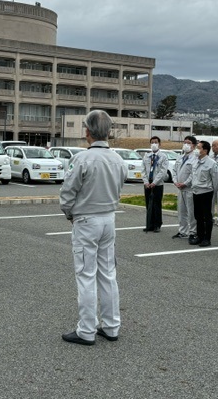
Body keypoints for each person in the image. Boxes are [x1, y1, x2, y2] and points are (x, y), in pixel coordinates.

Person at [59, 110, 128, 345]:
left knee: (86, 275)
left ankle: (86, 330)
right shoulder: (119, 159)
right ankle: (111, 325)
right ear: (108, 132)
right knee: (108, 274)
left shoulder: (81, 159)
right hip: (109, 218)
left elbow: (67, 193)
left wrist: (69, 212)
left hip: (86, 220)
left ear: (88, 132)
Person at [190, 141, 218, 247]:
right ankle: (200, 236)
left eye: (199, 148)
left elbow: (216, 181)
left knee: (207, 216)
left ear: (205, 150)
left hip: (206, 192)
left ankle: (207, 239)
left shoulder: (211, 163)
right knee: (198, 215)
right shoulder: (195, 161)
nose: (196, 150)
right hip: (196, 192)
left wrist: (212, 193)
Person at [172, 136, 198, 242]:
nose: (186, 145)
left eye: (189, 143)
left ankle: (193, 232)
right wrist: (175, 181)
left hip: (190, 189)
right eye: (185, 143)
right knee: (181, 211)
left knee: (191, 212)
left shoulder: (195, 157)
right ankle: (183, 231)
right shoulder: (180, 157)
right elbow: (174, 170)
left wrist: (185, 183)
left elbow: (194, 173)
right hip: (180, 189)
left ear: (194, 145)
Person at [141, 136, 168, 233]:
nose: (154, 144)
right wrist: (146, 182)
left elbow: (163, 172)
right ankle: (149, 224)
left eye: (156, 142)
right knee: (148, 204)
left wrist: (154, 182)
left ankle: (157, 225)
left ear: (159, 144)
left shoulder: (163, 157)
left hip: (158, 184)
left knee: (156, 205)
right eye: (152, 142)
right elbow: (143, 170)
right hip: (148, 184)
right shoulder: (146, 156)